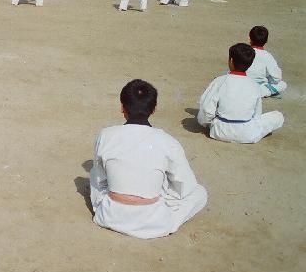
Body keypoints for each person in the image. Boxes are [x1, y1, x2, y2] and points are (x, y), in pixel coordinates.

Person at [90, 79, 208, 239]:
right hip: (153, 221)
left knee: (94, 173)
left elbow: (100, 179)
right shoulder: (168, 142)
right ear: (154, 109)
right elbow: (185, 185)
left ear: (122, 107)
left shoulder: (106, 135)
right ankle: (164, 216)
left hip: (111, 215)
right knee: (200, 193)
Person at [197, 43, 284, 143]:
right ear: (250, 64)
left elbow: (206, 109)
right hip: (247, 134)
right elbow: (256, 115)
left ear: (231, 61)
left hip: (219, 131)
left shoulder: (220, 81)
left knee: (206, 111)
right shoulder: (254, 85)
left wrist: (206, 124)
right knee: (278, 116)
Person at [246, 25, 287, 98]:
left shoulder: (243, 51)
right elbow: (277, 78)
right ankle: (264, 92)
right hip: (258, 88)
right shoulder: (268, 56)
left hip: (241, 83)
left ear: (249, 38)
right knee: (283, 85)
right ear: (266, 40)